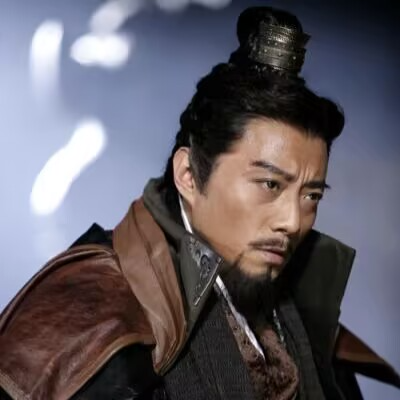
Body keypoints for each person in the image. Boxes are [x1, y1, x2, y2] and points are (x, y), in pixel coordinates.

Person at [0, 6, 398, 400]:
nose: (293, 221)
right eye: (269, 184)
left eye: (311, 195)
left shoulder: (306, 319)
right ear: (189, 176)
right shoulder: (91, 315)